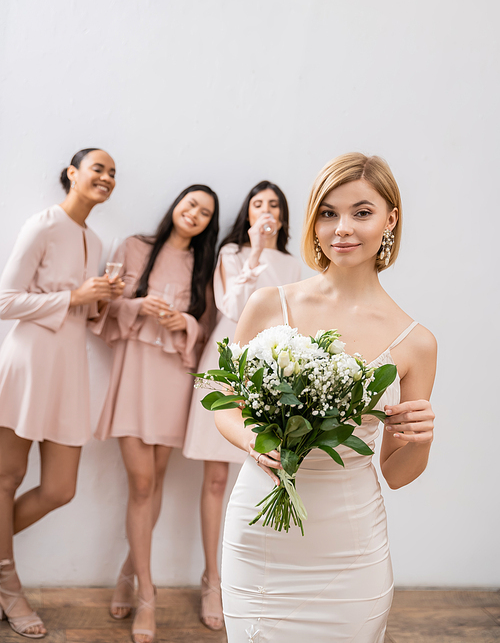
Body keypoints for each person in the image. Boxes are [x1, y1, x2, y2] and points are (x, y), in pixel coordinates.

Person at [214, 154, 437, 642]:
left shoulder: (416, 342)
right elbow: (224, 404)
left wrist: (419, 439)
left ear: (390, 219)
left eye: (361, 212)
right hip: (260, 538)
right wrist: (253, 437)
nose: (342, 229)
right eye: (327, 213)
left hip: (350, 549)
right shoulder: (270, 303)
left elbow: (397, 474)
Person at [0, 149, 121, 639]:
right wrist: (75, 296)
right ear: (72, 173)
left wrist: (101, 302)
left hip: (68, 372)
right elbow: (5, 300)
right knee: (5, 479)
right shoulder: (43, 225)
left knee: (59, 489)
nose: (107, 177)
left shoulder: (95, 240)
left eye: (114, 173)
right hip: (28, 366)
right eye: (98, 168)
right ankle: (9, 587)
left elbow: (85, 317)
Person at [93, 185, 219, 643]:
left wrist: (179, 322)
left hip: (172, 382)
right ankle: (148, 591)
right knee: (141, 484)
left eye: (205, 213)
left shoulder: (203, 266)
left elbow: (205, 329)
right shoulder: (134, 247)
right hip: (134, 377)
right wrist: (136, 306)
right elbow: (102, 306)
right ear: (176, 206)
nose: (195, 215)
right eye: (191, 205)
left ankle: (129, 568)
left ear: (209, 223)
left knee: (157, 480)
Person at [183, 181, 301, 630]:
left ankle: (253, 582)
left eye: (274, 205)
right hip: (226, 360)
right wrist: (254, 252)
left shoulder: (293, 265)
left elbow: (295, 322)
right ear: (248, 215)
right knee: (216, 476)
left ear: (284, 218)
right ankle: (212, 580)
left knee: (263, 471)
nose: (266, 211)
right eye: (258, 204)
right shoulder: (232, 255)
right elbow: (231, 306)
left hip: (271, 369)